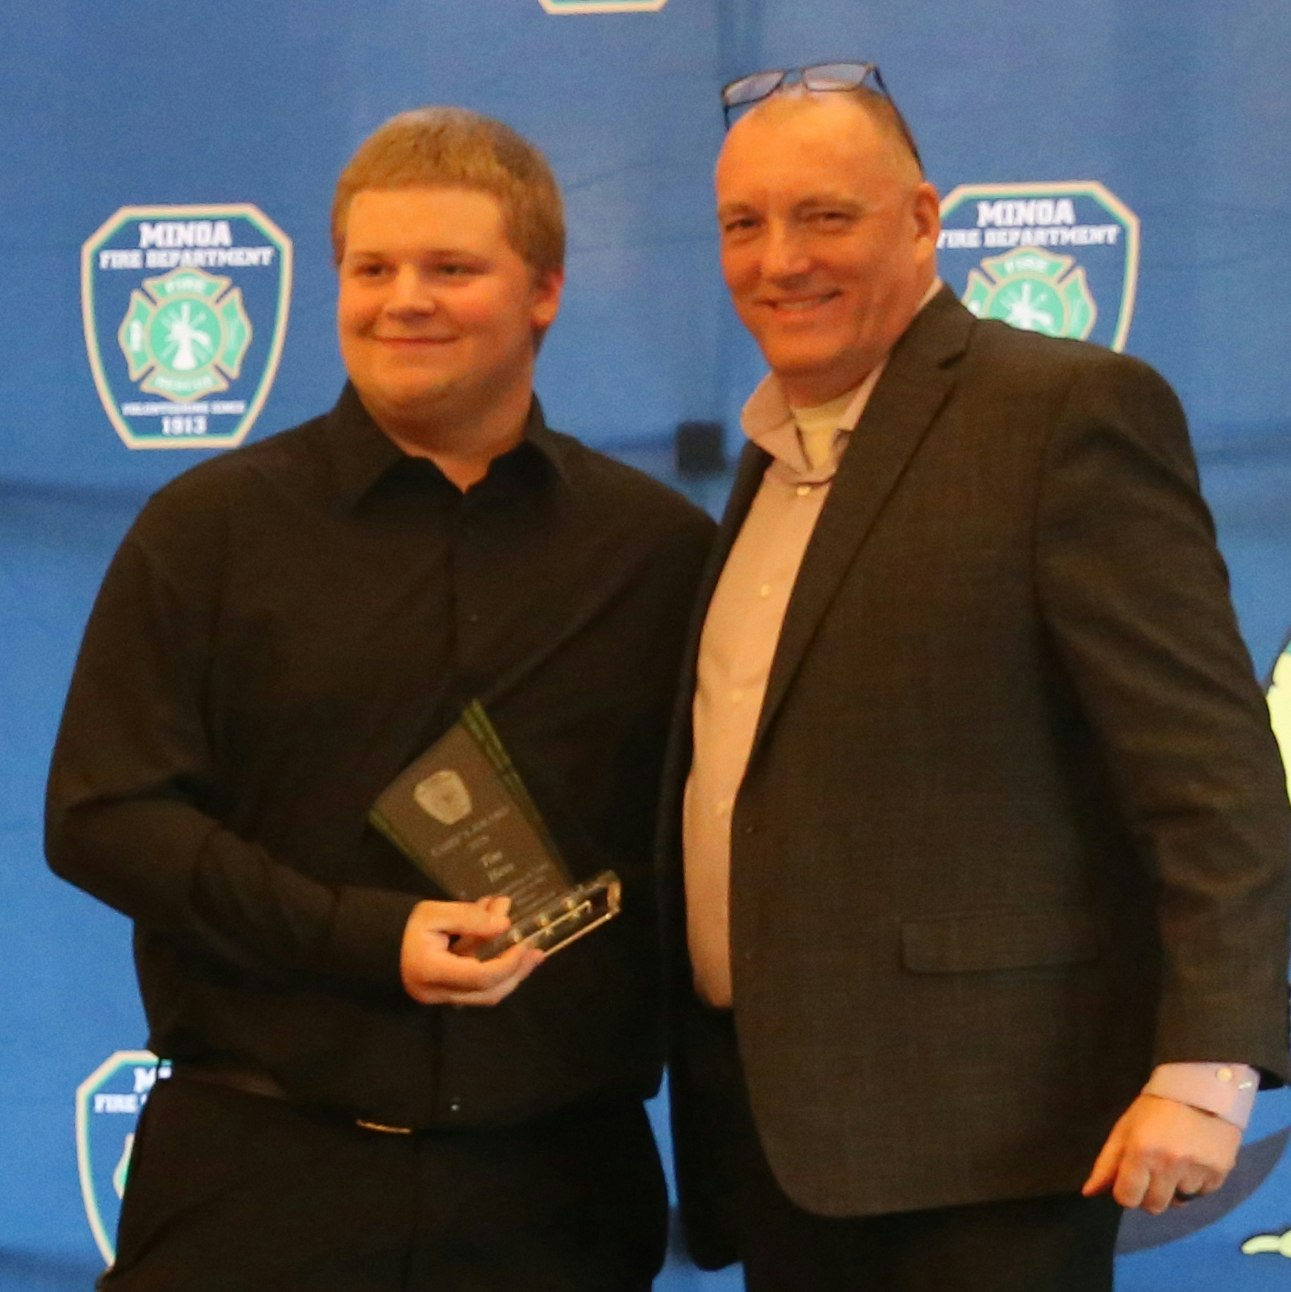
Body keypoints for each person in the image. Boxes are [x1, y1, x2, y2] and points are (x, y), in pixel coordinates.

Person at [47, 106, 713, 1292]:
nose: (403, 300)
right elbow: (104, 816)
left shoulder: (658, 553)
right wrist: (359, 935)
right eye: (372, 269)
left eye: (450, 268)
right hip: (254, 1186)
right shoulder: (208, 531)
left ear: (544, 292)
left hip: (553, 1196)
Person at [664, 64, 1291, 1291]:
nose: (779, 259)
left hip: (993, 1149)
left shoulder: (1064, 413)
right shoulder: (768, 462)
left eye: (824, 216)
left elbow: (1210, 776)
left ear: (920, 221)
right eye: (745, 223)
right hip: (785, 1146)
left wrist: (1209, 1062)